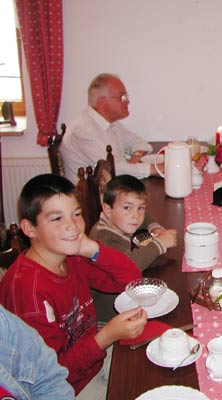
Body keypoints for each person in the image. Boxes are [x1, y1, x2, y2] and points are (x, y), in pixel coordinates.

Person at [0, 174, 148, 395]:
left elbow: (131, 280)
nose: (73, 226)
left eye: (76, 214)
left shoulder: (69, 256)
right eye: (56, 218)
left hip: (95, 361)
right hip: (72, 388)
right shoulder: (28, 291)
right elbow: (51, 375)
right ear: (29, 229)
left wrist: (92, 249)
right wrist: (107, 336)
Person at [89, 174, 177, 322]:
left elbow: (145, 216)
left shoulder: (116, 221)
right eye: (127, 208)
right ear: (108, 210)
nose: (135, 216)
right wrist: (159, 244)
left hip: (123, 300)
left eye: (140, 208)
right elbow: (127, 266)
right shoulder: (104, 238)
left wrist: (154, 227)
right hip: (111, 315)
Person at [62, 73, 164, 183]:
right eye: (122, 97)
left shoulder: (110, 123)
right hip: (94, 198)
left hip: (112, 188)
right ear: (102, 102)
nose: (127, 101)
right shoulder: (84, 131)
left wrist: (135, 158)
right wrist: (158, 168)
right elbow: (112, 170)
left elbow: (139, 142)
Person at [0, 304, 75, 399]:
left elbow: (51, 379)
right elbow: (65, 366)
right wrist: (97, 342)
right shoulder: (33, 299)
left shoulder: (3, 321)